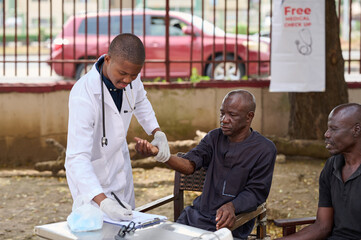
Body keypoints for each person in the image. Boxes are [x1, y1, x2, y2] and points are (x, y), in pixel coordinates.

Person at [135, 89, 277, 239]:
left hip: (230, 225)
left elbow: (256, 192)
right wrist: (159, 154)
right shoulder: (214, 137)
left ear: (249, 117)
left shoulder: (264, 149)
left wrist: (233, 206)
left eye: (232, 115)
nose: (224, 119)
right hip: (195, 218)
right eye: (222, 113)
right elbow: (189, 165)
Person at [65, 33, 170, 221]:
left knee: (127, 229)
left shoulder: (130, 77)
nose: (128, 80)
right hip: (93, 182)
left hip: (120, 169)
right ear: (108, 59)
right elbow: (76, 158)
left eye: (134, 75)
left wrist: (157, 131)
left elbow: (140, 101)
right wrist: (103, 201)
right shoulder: (84, 95)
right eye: (122, 74)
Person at [277, 103, 361, 240]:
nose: (326, 134)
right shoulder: (331, 166)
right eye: (328, 128)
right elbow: (322, 226)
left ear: (356, 130)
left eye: (334, 129)